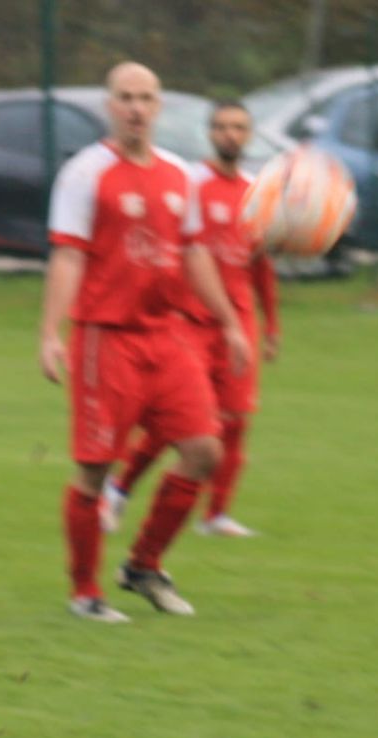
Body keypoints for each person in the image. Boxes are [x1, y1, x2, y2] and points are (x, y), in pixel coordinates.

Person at [39, 62, 251, 623]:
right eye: (126, 98)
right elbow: (67, 255)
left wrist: (229, 321)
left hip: (168, 336)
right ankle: (85, 591)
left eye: (147, 98)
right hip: (104, 341)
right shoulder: (86, 174)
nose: (136, 108)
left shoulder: (180, 176)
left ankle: (143, 566)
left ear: (159, 107)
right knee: (95, 470)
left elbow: (195, 252)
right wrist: (50, 333)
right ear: (110, 106)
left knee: (205, 450)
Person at [103, 100, 280, 539]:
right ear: (210, 134)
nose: (230, 135)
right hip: (189, 321)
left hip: (237, 322)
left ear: (249, 135)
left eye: (239, 127)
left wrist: (271, 324)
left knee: (236, 419)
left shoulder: (256, 193)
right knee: (180, 421)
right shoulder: (191, 184)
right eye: (221, 127)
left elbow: (259, 265)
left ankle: (215, 514)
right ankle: (119, 489)